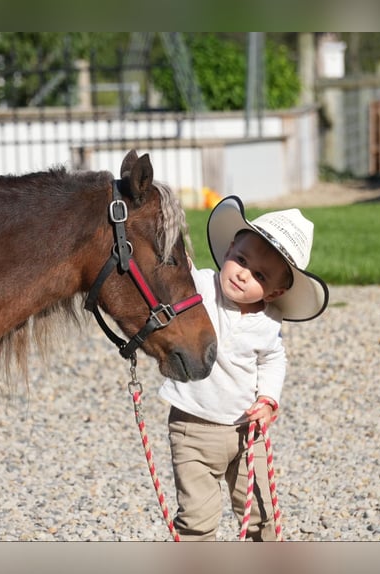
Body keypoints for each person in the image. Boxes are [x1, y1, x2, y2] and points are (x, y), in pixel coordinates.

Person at [159, 195, 329, 541]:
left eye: (259, 275)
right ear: (229, 248)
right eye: (241, 259)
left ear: (274, 291)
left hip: (246, 434)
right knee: (197, 518)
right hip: (192, 428)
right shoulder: (202, 286)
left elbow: (272, 360)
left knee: (261, 516)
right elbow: (178, 272)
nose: (242, 274)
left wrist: (267, 400)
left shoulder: (269, 321)